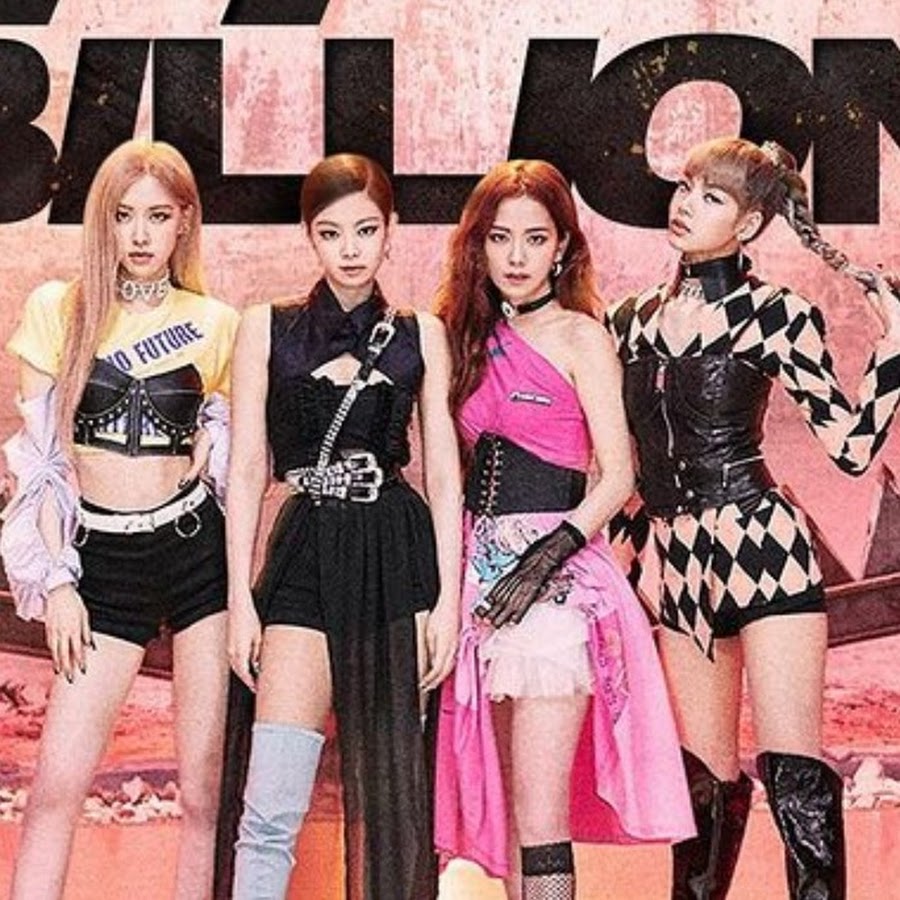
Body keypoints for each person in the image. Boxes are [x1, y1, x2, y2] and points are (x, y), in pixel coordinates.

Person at [606, 136, 900, 900]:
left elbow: (851, 448)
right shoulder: (628, 320)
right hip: (678, 562)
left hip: (762, 548)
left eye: (712, 197)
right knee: (702, 778)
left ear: (748, 224)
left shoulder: (777, 315)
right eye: (686, 187)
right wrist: (624, 556)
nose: (685, 205)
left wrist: (895, 350)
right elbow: (623, 462)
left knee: (791, 765)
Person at [433, 159, 694, 900]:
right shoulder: (460, 337)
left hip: (557, 589)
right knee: (509, 812)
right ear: (478, 245)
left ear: (563, 247)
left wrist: (549, 555)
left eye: (535, 238)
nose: (516, 256)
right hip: (476, 587)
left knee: (542, 814)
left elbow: (619, 475)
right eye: (500, 238)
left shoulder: (582, 336)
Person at [217, 152, 461, 900]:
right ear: (309, 236)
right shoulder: (267, 327)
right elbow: (248, 469)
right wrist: (240, 601)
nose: (350, 249)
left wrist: (449, 603)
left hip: (397, 558)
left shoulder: (422, 333)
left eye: (365, 229)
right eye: (330, 232)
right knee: (270, 806)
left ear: (391, 231)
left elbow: (444, 475)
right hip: (304, 556)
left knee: (392, 811)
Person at [2, 139, 238, 899]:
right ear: (101, 222)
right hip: (100, 564)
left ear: (184, 223)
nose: (139, 234)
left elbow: (233, 440)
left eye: (157, 216)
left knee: (203, 791)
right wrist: (58, 583)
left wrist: (218, 433)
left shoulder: (217, 321)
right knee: (55, 787)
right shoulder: (58, 308)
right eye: (123, 215)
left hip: (196, 553)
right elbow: (41, 466)